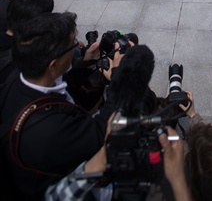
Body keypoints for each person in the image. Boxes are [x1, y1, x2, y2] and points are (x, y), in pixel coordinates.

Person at [0, 11, 121, 200]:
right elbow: (100, 135)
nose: (78, 46)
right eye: (72, 46)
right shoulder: (52, 128)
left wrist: (85, 62)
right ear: (53, 64)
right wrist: (118, 81)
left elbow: (62, 80)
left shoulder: (19, 78)